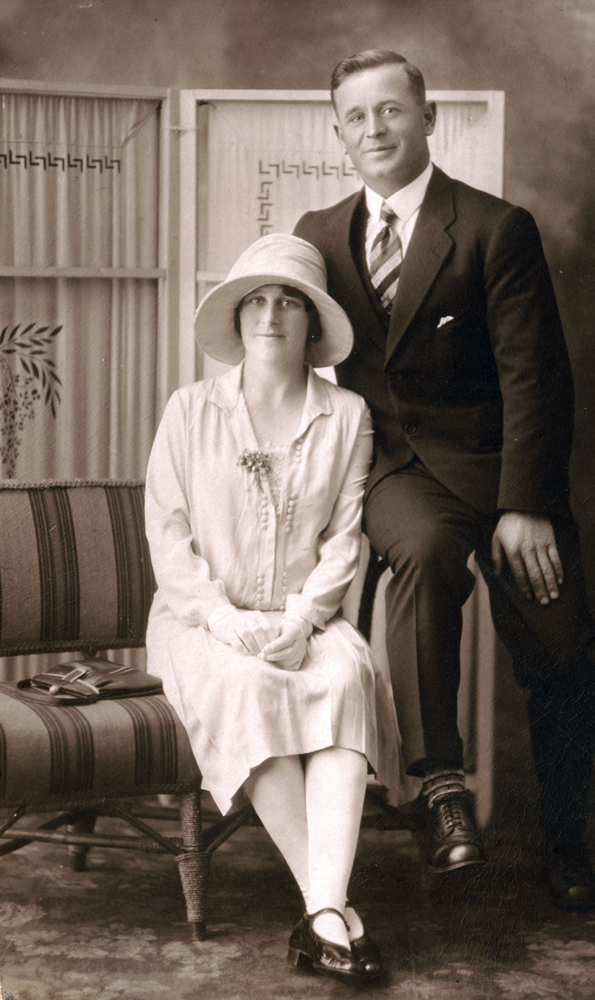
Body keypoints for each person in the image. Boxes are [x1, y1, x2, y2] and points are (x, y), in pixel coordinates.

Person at [294, 49, 595, 910]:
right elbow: (289, 352)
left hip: (504, 472)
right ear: (338, 134)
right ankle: (441, 792)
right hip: (395, 472)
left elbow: (535, 377)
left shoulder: (495, 227)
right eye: (356, 116)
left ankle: (567, 843)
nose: (375, 129)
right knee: (425, 558)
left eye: (391, 110)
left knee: (561, 650)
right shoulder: (318, 235)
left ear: (428, 119)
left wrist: (524, 506)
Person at [145, 233, 411, 984]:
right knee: (248, 686)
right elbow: (167, 536)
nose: (270, 316)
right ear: (235, 320)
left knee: (344, 675)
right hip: (199, 620)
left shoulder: (347, 415)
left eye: (288, 303)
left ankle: (322, 915)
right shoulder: (189, 410)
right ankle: (331, 912)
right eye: (255, 302)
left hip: (306, 614)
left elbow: (342, 539)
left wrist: (299, 621)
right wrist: (225, 620)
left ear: (312, 325)